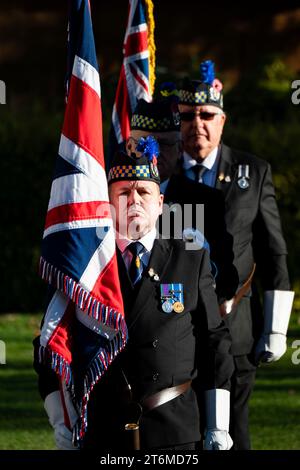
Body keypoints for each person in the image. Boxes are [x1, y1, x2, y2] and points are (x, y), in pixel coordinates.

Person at [34, 140, 234, 451]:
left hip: (176, 431)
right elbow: (50, 346)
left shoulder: (190, 259)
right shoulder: (86, 268)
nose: (134, 201)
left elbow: (214, 343)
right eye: (124, 193)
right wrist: (63, 423)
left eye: (144, 193)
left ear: (161, 202)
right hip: (104, 430)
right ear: (107, 202)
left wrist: (218, 423)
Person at [177, 59, 295, 450]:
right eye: (189, 116)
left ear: (222, 120)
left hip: (237, 324)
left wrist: (276, 328)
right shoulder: (159, 180)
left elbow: (273, 250)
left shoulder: (253, 171)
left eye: (207, 114)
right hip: (180, 329)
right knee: (184, 436)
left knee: (234, 434)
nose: (198, 124)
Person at [128, 96, 238, 304]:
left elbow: (226, 279)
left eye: (164, 144)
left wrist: (201, 264)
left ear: (179, 149)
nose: (154, 154)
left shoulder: (205, 202)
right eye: (145, 145)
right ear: (129, 148)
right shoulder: (108, 199)